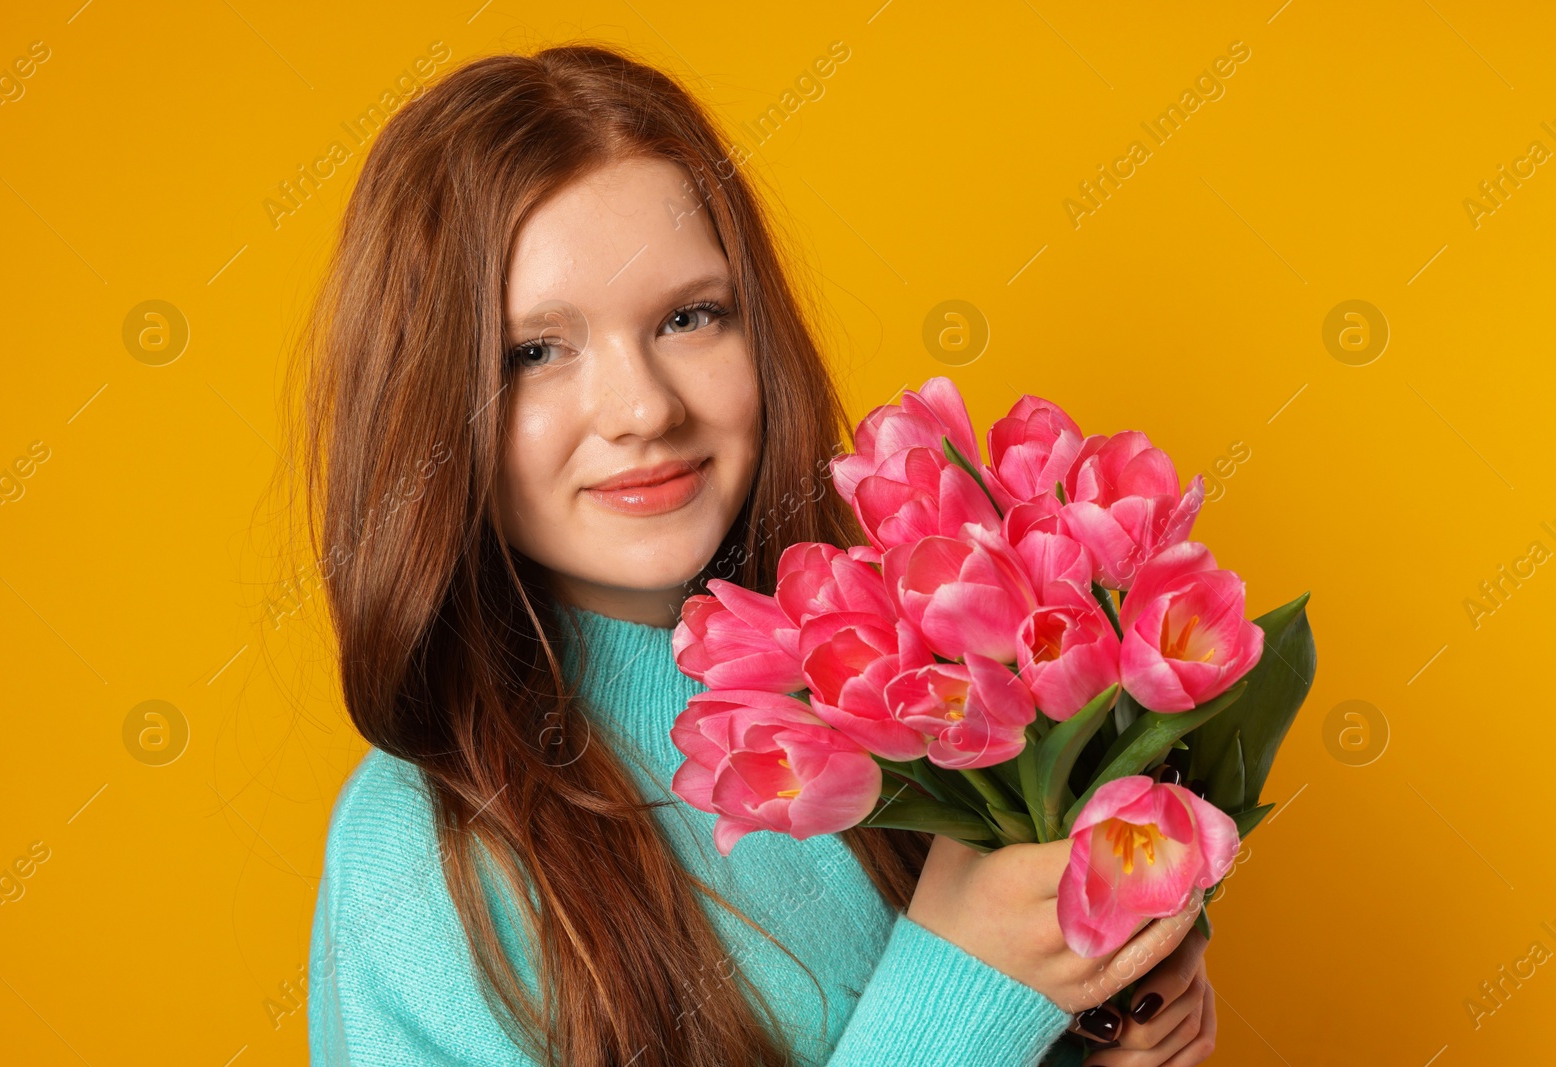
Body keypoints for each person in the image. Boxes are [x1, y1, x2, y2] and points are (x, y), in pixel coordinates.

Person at [295, 42, 1216, 1067]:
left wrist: (1090, 1024)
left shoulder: (917, 689)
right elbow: (952, 1007)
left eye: (689, 316)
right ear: (430, 401)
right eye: (535, 351)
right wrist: (967, 992)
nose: (645, 407)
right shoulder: (420, 857)